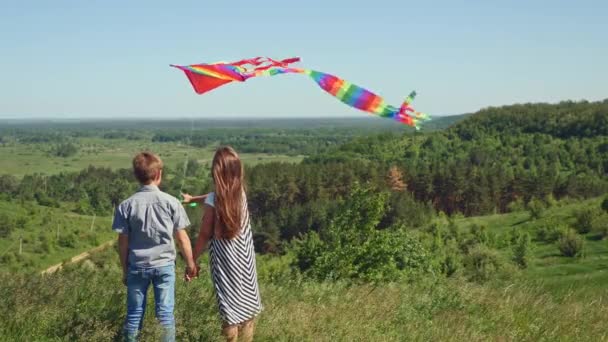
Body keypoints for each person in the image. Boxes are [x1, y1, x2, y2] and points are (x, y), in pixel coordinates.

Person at [112, 151, 198, 342]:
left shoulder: (126, 206)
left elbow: (123, 242)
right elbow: (182, 238)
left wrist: (125, 270)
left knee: (134, 315)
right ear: (159, 174)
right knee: (165, 315)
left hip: (137, 266)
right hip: (164, 266)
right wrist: (191, 264)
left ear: (136, 176)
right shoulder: (172, 203)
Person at [183, 146, 262, 342]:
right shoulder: (240, 193)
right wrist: (193, 199)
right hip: (245, 260)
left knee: (229, 313)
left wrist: (192, 262)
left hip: (225, 262)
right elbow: (213, 196)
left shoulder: (215, 199)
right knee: (248, 307)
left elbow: (203, 234)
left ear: (216, 171)